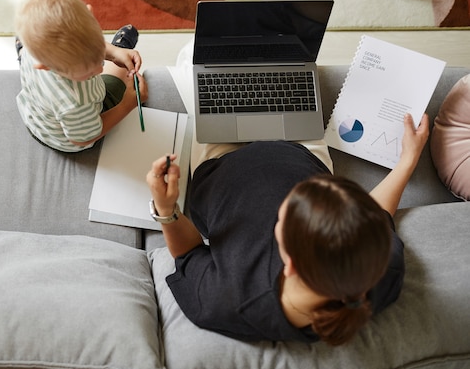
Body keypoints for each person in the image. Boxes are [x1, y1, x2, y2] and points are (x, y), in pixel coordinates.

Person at [146, 113, 429, 345]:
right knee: (290, 72)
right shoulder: (381, 270)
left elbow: (189, 254)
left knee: (195, 63)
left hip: (219, 168)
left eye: (282, 216)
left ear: (289, 264)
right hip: (303, 155)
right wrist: (408, 160)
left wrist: (166, 208)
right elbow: (375, 215)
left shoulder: (226, 301)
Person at [14, 0, 147, 152]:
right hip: (72, 135)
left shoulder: (37, 49)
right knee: (124, 74)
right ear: (46, 66)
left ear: (89, 12)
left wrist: (113, 53)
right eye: (89, 71)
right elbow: (85, 138)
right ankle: (117, 49)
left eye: (99, 50)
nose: (100, 69)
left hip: (36, 114)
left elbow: (81, 45)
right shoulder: (74, 102)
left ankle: (114, 48)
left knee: (99, 56)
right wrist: (128, 104)